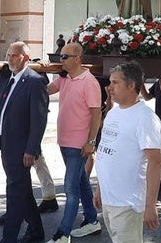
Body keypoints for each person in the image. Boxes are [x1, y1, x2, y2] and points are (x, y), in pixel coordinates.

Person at [0, 41, 48, 243]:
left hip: (21, 147)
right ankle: (37, 231)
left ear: (26, 58)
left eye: (15, 55)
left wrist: (31, 149)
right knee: (22, 188)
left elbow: (39, 120)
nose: (10, 59)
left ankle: (9, 237)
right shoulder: (6, 78)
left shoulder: (34, 81)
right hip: (5, 143)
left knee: (14, 190)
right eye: (9, 55)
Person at [94, 62, 161, 243]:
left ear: (131, 85)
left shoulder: (145, 117)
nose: (109, 87)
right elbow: (105, 152)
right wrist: (99, 189)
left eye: (115, 83)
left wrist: (150, 205)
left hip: (127, 203)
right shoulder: (112, 113)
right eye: (110, 82)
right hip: (110, 199)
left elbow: (155, 162)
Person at [46, 42, 102, 243]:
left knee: (70, 189)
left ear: (77, 58)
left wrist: (91, 142)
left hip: (79, 145)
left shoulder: (89, 82)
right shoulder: (64, 79)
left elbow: (96, 115)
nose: (61, 60)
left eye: (64, 57)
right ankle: (92, 220)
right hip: (64, 141)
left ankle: (63, 233)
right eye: (60, 56)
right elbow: (45, 91)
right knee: (81, 182)